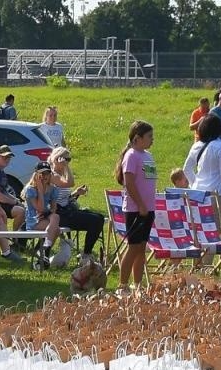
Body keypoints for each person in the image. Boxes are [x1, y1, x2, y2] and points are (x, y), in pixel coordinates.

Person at [115, 121, 157, 293]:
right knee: (133, 247)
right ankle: (122, 285)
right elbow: (129, 182)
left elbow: (148, 180)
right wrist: (140, 204)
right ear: (137, 138)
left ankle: (137, 285)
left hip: (148, 208)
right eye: (149, 137)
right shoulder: (132, 156)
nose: (152, 140)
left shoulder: (148, 156)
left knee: (142, 247)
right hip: (135, 209)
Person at [49, 148, 105, 259]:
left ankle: (86, 252)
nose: (67, 162)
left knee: (99, 217)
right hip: (58, 214)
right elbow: (70, 183)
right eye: (66, 159)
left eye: (69, 159)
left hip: (66, 211)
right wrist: (66, 167)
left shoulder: (61, 175)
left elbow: (64, 198)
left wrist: (76, 193)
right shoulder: (52, 175)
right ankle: (86, 254)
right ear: (56, 159)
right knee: (95, 221)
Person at [184, 114, 221, 213]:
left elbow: (186, 169)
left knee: (199, 226)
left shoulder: (196, 146)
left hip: (196, 192)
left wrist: (195, 183)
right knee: (216, 226)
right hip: (215, 193)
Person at [22, 163, 61, 266]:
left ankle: (43, 250)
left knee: (55, 217)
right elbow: (39, 208)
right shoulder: (31, 189)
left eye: (47, 173)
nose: (44, 176)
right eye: (42, 173)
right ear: (36, 175)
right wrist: (40, 190)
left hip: (45, 218)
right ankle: (44, 252)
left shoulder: (53, 189)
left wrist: (48, 212)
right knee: (56, 229)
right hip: (33, 221)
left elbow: (54, 208)